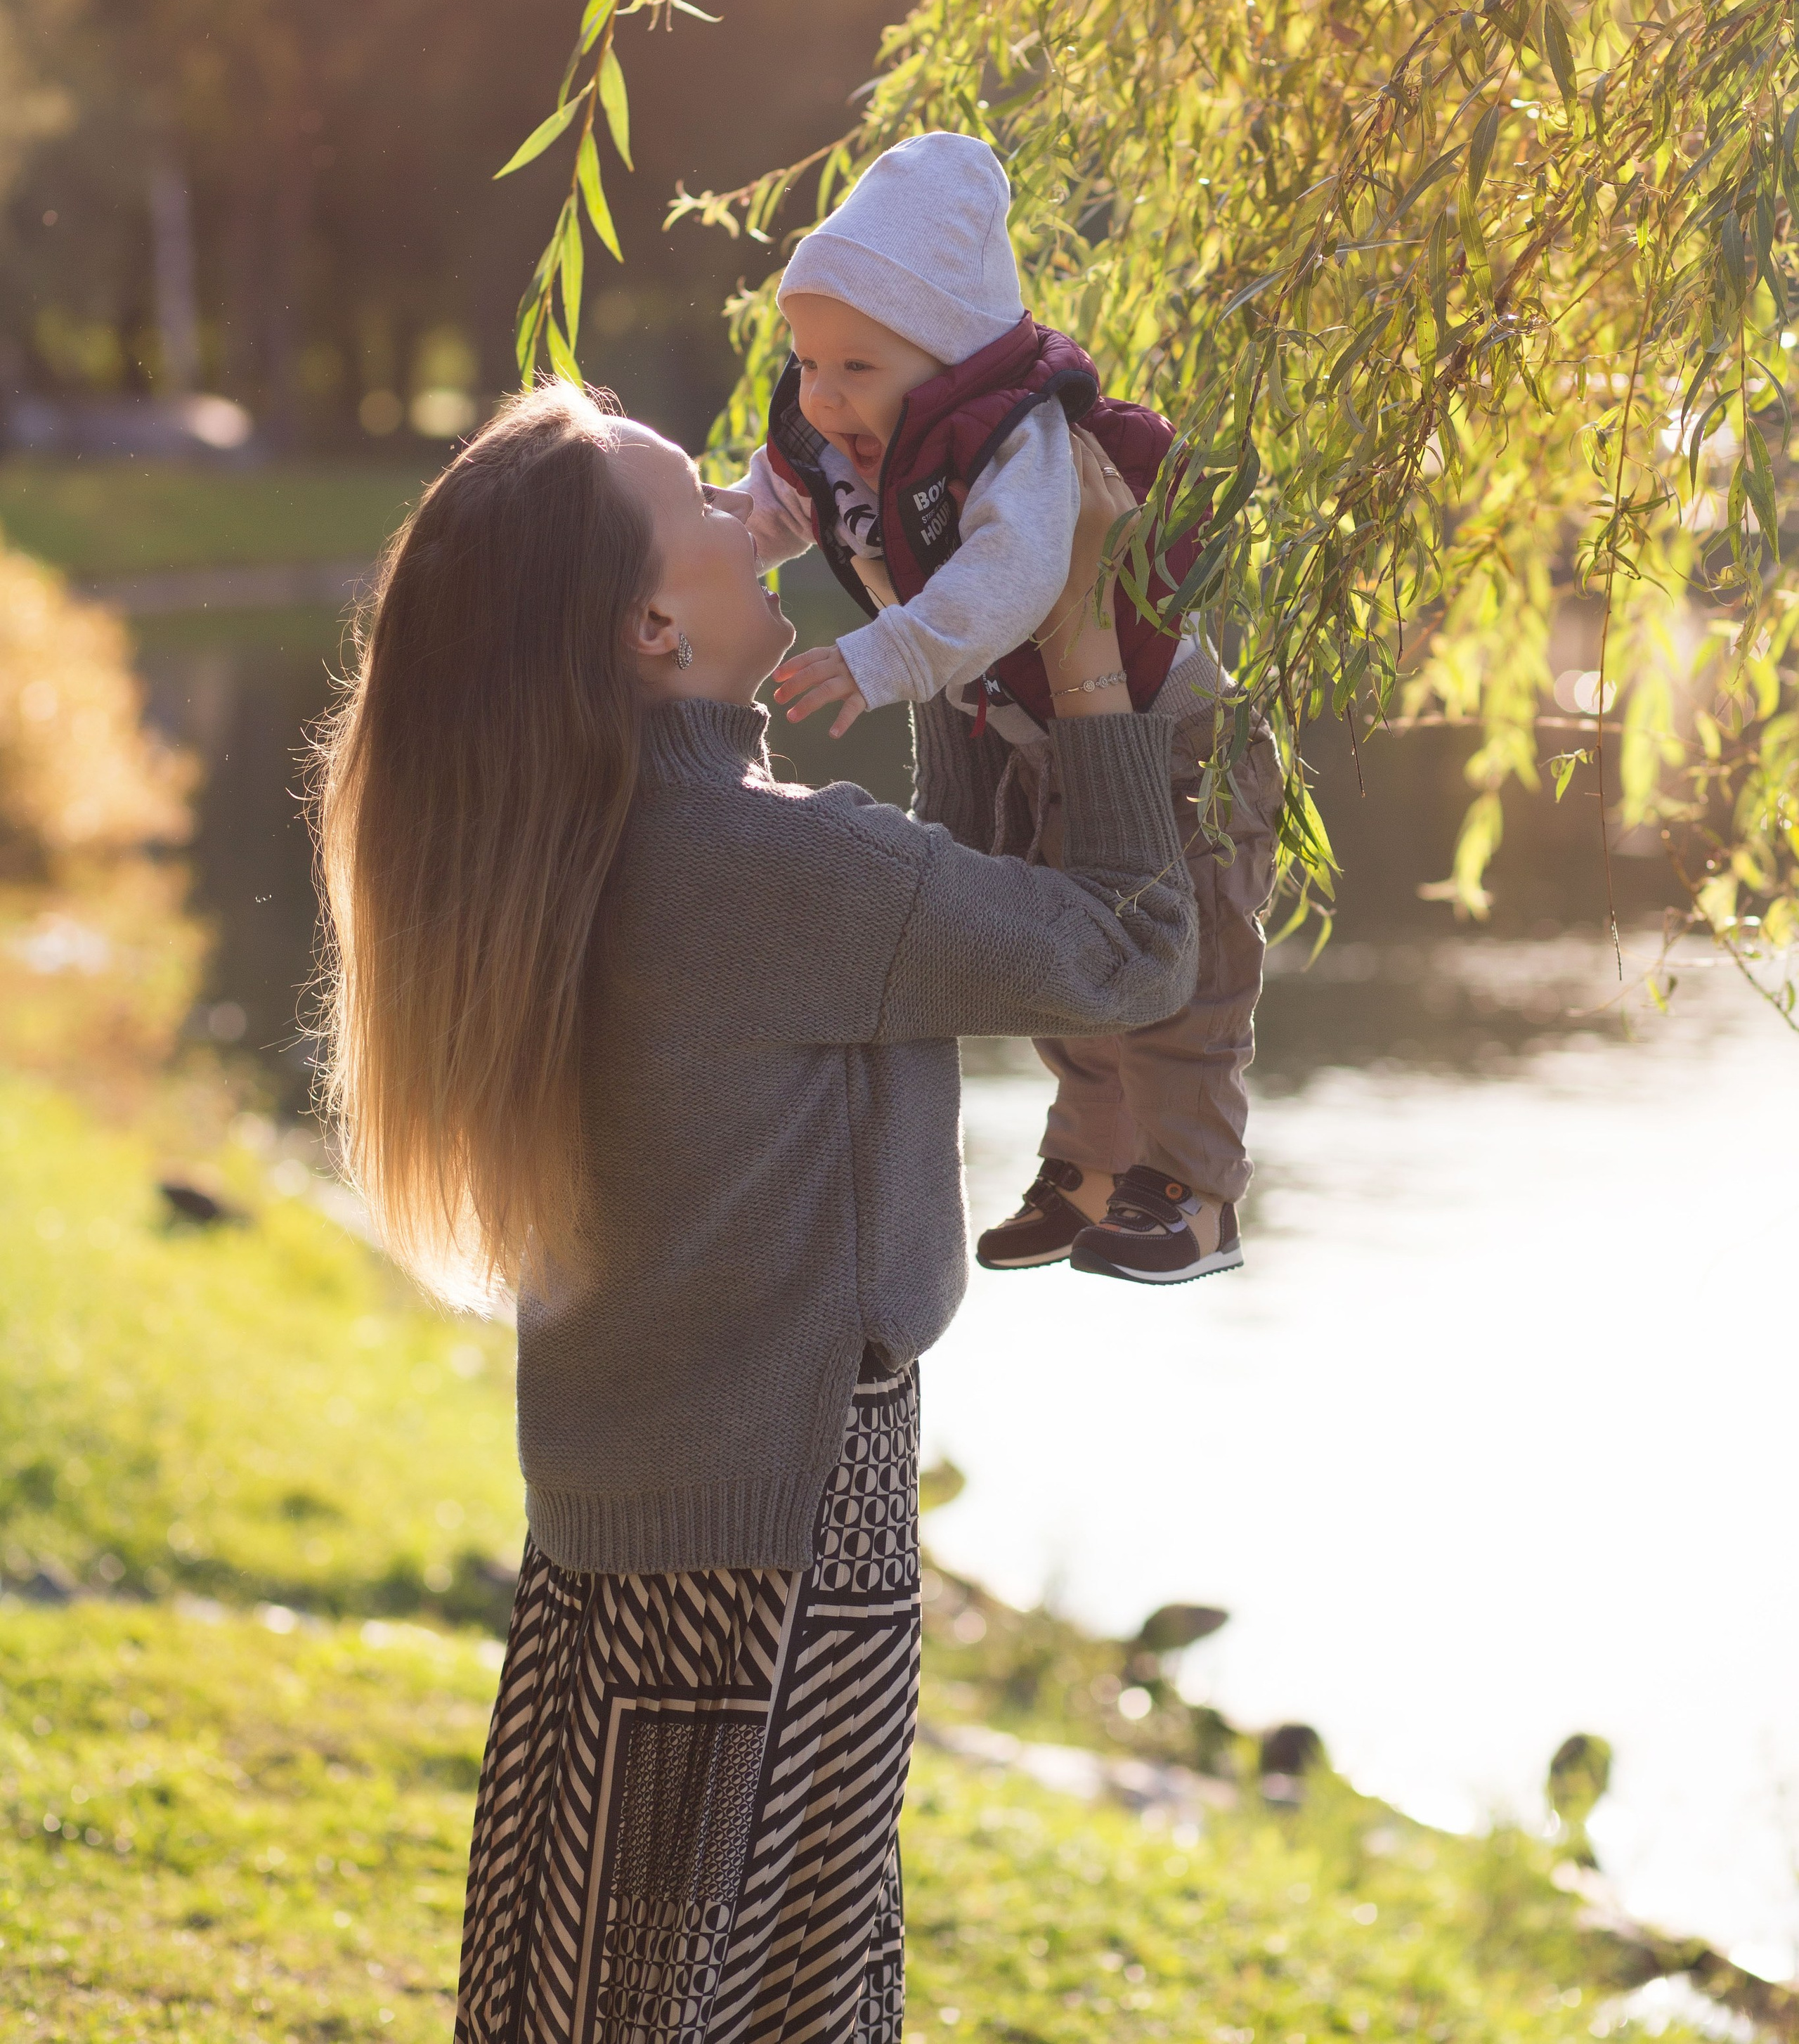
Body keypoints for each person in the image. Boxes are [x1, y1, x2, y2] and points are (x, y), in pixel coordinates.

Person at [311, 380, 1196, 2044]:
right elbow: (1129, 944)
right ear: (654, 624)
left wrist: (936, 622)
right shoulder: (765, 869)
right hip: (791, 1516)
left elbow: (922, 884)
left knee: (601, 1990)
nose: (744, 507)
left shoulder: (579, 846)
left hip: (617, 1525)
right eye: (698, 507)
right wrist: (1079, 635)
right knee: (778, 1994)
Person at [727, 130, 1282, 1288]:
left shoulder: (1011, 440)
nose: (822, 397)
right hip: (1039, 735)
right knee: (1063, 950)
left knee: (1185, 980)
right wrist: (705, 542)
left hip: (1170, 740)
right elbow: (772, 513)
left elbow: (1017, 579)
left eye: (855, 370)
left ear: (947, 358)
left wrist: (887, 656)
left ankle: (1192, 1195)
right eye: (807, 361)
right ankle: (1089, 1168)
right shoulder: (833, 427)